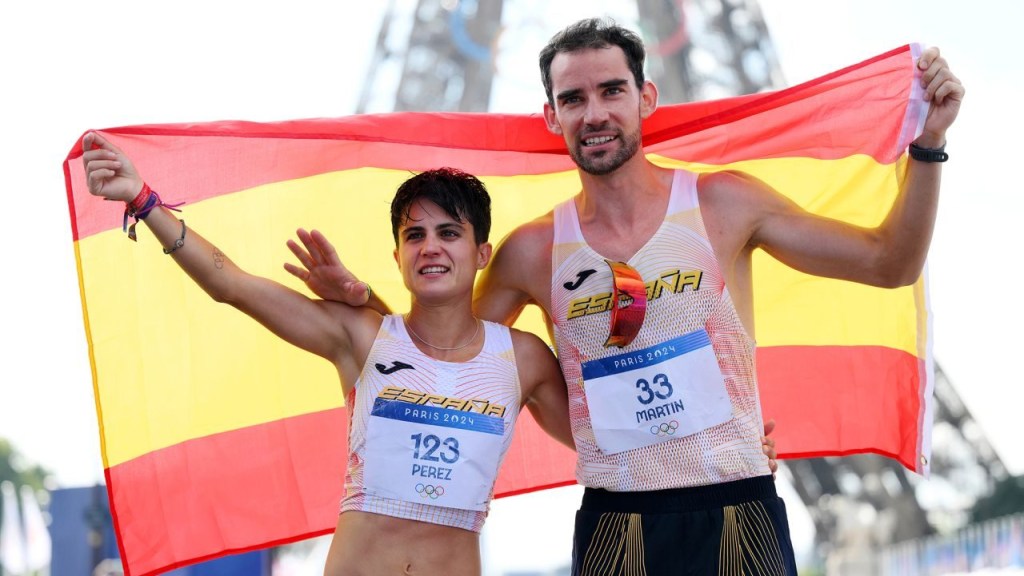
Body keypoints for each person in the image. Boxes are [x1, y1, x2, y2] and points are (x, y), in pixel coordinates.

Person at [298, 17, 964, 576]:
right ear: (551, 114)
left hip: (738, 507)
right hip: (618, 523)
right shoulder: (532, 252)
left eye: (611, 91)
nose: (595, 114)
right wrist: (364, 306)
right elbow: (447, 363)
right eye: (575, 98)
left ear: (645, 98)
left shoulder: (723, 203)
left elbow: (890, 263)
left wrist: (928, 146)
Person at [81, 131, 574, 576]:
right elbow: (229, 283)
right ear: (397, 258)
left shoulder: (522, 358)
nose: (430, 248)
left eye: (449, 233)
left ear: (481, 254)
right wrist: (143, 201)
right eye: (414, 236)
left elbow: (599, 441)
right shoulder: (361, 336)